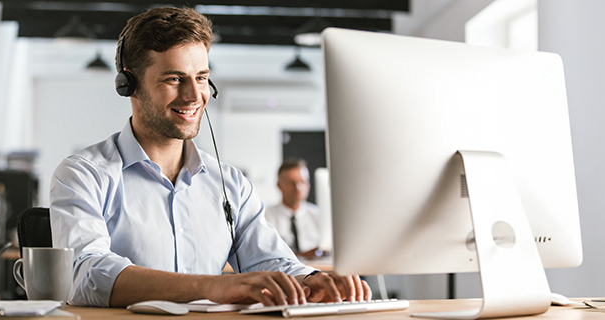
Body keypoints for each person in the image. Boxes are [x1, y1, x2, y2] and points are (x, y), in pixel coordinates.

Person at [49, 6, 371, 308]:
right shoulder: (83, 175)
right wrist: (211, 287)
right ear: (128, 84)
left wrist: (311, 279)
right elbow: (85, 273)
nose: (194, 96)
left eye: (201, 77)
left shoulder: (229, 183)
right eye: (174, 79)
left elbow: (269, 259)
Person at [265, 158, 327, 258]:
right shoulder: (266, 217)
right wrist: (301, 255)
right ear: (279, 185)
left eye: (303, 182)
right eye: (291, 183)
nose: (298, 188)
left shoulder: (320, 216)